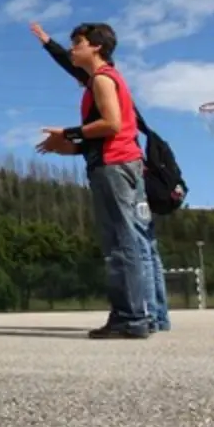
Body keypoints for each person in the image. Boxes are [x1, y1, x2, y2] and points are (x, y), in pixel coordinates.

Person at [30, 21, 171, 333]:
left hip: (115, 167)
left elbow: (112, 124)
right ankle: (147, 316)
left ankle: (131, 317)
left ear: (96, 46)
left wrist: (69, 132)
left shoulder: (103, 80)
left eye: (77, 43)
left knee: (122, 243)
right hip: (121, 163)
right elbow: (104, 134)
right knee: (133, 241)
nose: (72, 49)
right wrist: (65, 147)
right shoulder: (103, 79)